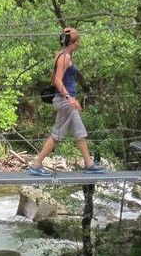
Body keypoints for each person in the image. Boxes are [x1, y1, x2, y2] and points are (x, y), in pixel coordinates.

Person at [28, 27, 105, 176]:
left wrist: (69, 30)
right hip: (65, 101)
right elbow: (57, 80)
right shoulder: (65, 57)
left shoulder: (63, 54)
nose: (79, 43)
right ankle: (36, 165)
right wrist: (70, 98)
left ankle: (89, 164)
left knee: (80, 132)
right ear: (73, 43)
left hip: (67, 101)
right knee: (57, 135)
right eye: (78, 41)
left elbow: (67, 33)